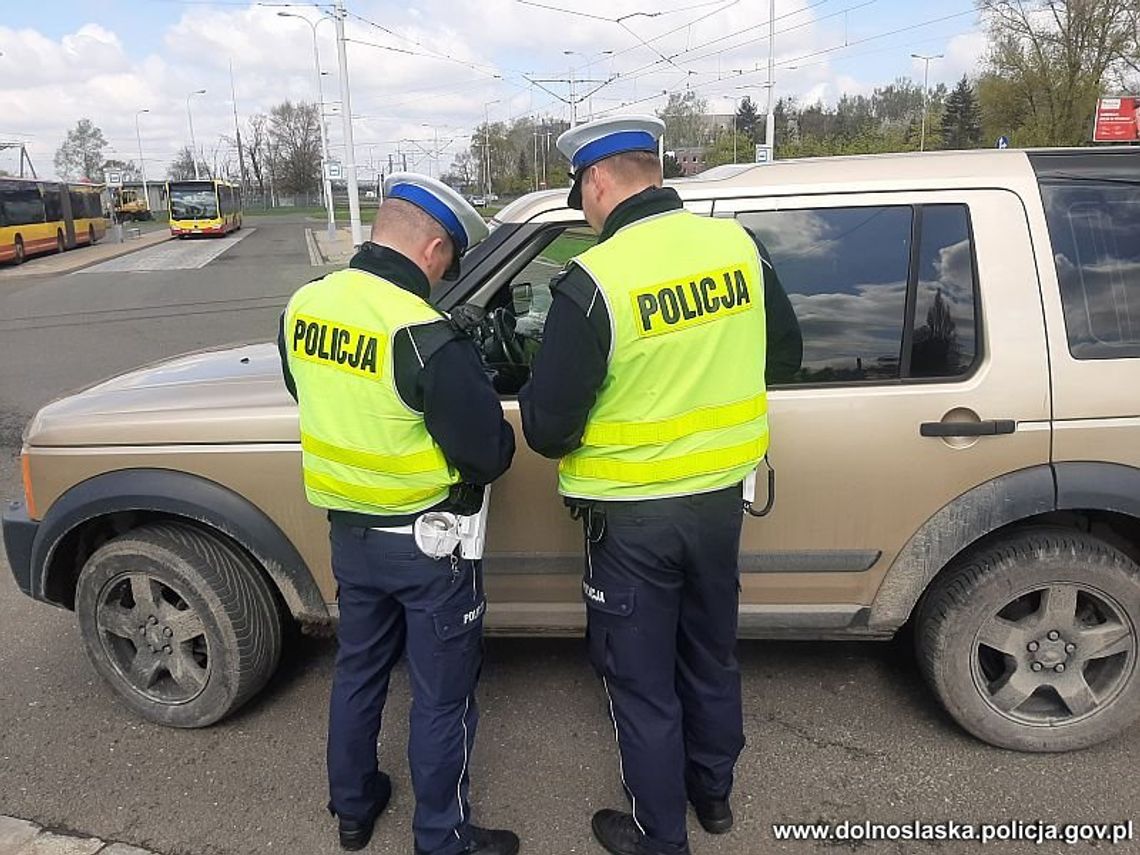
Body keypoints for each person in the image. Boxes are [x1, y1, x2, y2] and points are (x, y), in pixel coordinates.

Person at [519, 117, 770, 855]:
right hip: (720, 504)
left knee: (642, 682)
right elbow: (782, 346)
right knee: (711, 654)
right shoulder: (738, 249)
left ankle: (661, 837)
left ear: (598, 182)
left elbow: (549, 428)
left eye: (582, 193)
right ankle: (714, 796)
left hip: (631, 526)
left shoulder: (596, 280)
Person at [278, 173, 519, 855]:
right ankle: (443, 837)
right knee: (442, 697)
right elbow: (489, 454)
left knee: (359, 669)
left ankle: (353, 808)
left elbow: (305, 386)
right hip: (428, 548)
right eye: (451, 261)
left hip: (351, 537)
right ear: (435, 247)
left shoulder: (305, 305)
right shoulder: (422, 333)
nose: (446, 275)